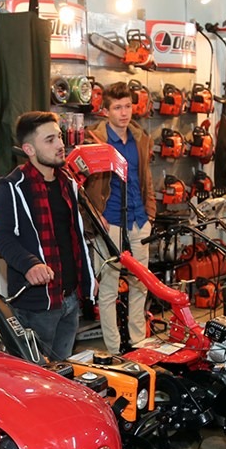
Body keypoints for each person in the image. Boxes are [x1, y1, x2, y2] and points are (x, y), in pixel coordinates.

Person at [0, 111, 97, 360]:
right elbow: (3, 238)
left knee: (63, 370)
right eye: (50, 140)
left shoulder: (67, 182)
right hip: (37, 305)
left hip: (69, 299)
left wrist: (87, 279)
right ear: (29, 149)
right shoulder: (13, 186)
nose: (60, 145)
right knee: (35, 375)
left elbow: (75, 236)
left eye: (59, 137)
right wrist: (29, 264)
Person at [84, 81, 156, 353]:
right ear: (106, 111)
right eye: (117, 108)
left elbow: (145, 178)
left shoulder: (139, 138)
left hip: (139, 220)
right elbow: (81, 184)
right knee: (109, 289)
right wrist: (95, 216)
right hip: (109, 222)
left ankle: (138, 343)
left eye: (127, 106)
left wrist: (150, 213)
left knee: (141, 284)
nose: (124, 113)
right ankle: (114, 349)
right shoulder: (95, 141)